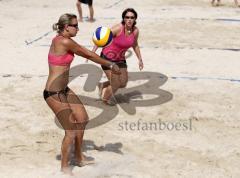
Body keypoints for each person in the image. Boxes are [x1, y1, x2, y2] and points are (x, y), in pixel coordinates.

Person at [43, 13, 120, 175]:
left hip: (64, 89)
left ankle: (78, 157)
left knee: (83, 118)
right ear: (66, 27)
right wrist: (110, 64)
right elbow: (88, 54)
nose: (78, 28)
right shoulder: (64, 41)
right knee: (70, 131)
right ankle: (64, 168)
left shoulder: (60, 39)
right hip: (53, 92)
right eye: (75, 26)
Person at [92, 8, 143, 105]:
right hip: (107, 59)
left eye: (132, 17)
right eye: (127, 17)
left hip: (120, 60)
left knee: (123, 83)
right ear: (123, 18)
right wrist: (92, 52)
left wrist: (140, 59)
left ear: (135, 19)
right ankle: (105, 100)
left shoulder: (135, 31)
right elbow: (102, 38)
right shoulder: (118, 28)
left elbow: (135, 44)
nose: (129, 19)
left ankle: (103, 85)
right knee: (115, 83)